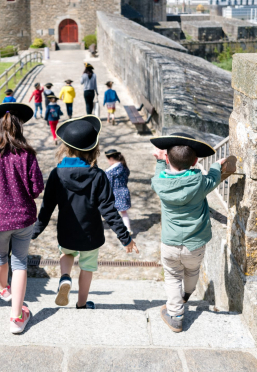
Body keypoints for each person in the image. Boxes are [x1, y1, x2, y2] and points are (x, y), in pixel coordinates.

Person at [32, 115, 139, 309]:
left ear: (66, 148)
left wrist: (34, 232)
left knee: (66, 255)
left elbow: (47, 207)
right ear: (94, 149)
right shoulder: (98, 176)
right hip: (91, 235)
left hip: (66, 231)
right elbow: (109, 210)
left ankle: (65, 278)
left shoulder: (57, 174)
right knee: (87, 267)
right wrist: (125, 238)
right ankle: (81, 303)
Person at [0, 103, 44, 334]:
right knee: (20, 262)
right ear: (18, 129)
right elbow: (36, 189)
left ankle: (3, 288)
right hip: (24, 219)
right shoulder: (27, 155)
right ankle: (16, 317)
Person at [150, 132, 225, 333]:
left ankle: (175, 315)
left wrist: (159, 162)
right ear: (195, 161)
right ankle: (187, 295)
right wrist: (217, 164)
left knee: (173, 276)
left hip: (170, 242)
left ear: (167, 159)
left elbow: (159, 175)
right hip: (195, 244)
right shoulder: (200, 183)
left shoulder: (159, 183)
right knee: (192, 271)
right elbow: (214, 177)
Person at [105, 149, 132, 234]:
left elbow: (108, 184)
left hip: (114, 194)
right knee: (124, 212)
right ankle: (128, 229)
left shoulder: (109, 172)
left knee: (112, 212)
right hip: (124, 191)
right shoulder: (124, 167)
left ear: (111, 158)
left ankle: (118, 229)